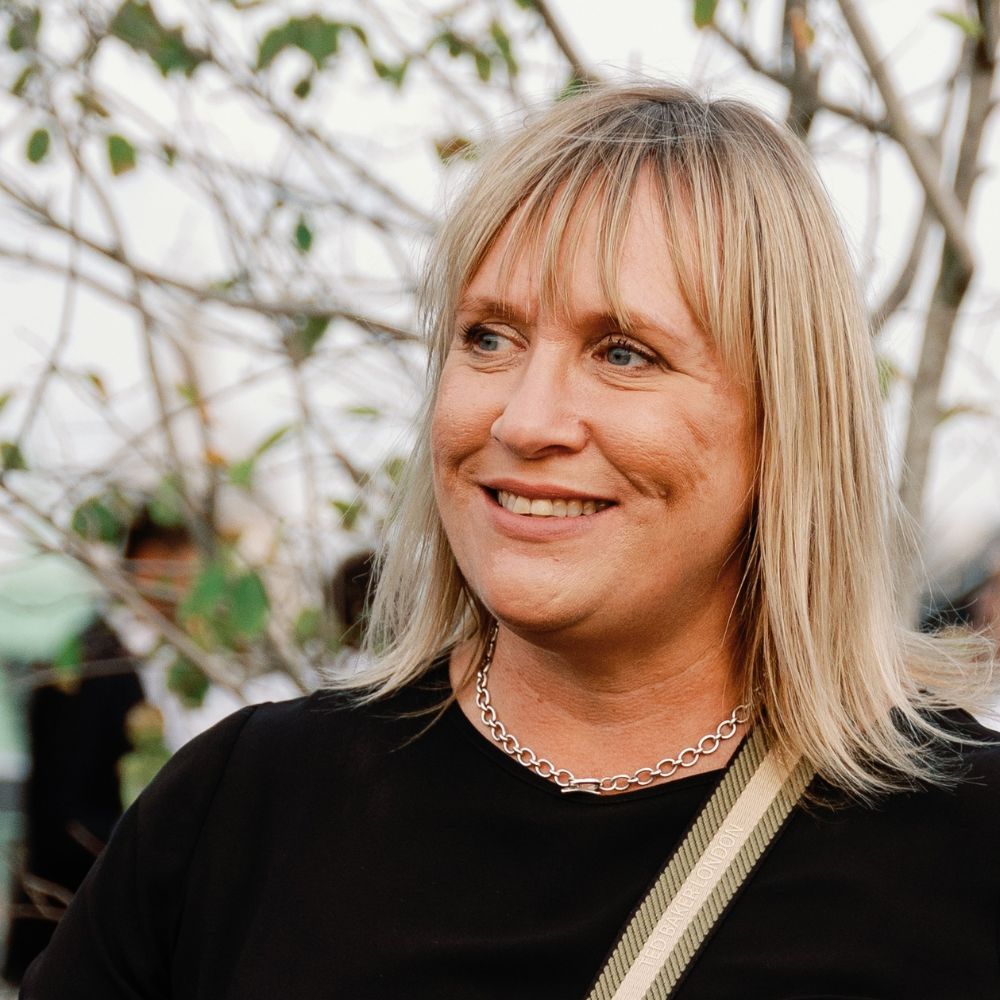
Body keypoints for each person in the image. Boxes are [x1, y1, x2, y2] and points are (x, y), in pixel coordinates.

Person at [20, 84, 1000, 999]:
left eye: (624, 352)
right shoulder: (247, 811)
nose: (526, 419)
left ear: (784, 421)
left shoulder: (961, 848)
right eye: (488, 337)